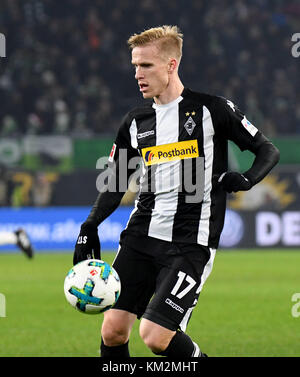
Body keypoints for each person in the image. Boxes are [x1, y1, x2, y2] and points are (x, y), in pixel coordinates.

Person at [73, 25, 280, 358]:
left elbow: (267, 150)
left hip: (190, 241)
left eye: (146, 66)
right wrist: (89, 225)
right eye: (135, 66)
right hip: (141, 236)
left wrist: (247, 179)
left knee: (155, 337)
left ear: (171, 65)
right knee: (112, 331)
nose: (138, 74)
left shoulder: (213, 109)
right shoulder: (136, 121)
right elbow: (116, 180)